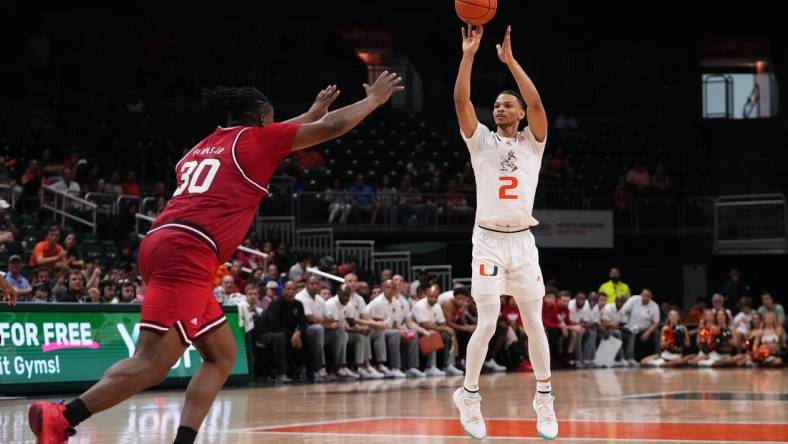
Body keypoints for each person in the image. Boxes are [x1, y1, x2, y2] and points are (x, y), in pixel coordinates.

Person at [25, 73, 404, 443]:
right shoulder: (258, 140)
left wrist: (308, 113)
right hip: (188, 252)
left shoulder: (204, 146)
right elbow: (333, 125)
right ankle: (62, 416)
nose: (275, 128)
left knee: (222, 355)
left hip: (162, 240)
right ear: (260, 121)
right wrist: (373, 100)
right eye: (271, 121)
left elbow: (279, 136)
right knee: (153, 362)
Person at [451, 24, 556, 440]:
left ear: (521, 114)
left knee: (534, 323)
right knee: (489, 322)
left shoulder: (534, 142)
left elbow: (536, 99)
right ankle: (470, 395)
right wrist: (469, 55)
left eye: (507, 104)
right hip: (488, 242)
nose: (499, 108)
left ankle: (544, 399)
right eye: (495, 104)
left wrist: (510, 62)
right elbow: (461, 100)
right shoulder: (480, 143)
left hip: (523, 244)